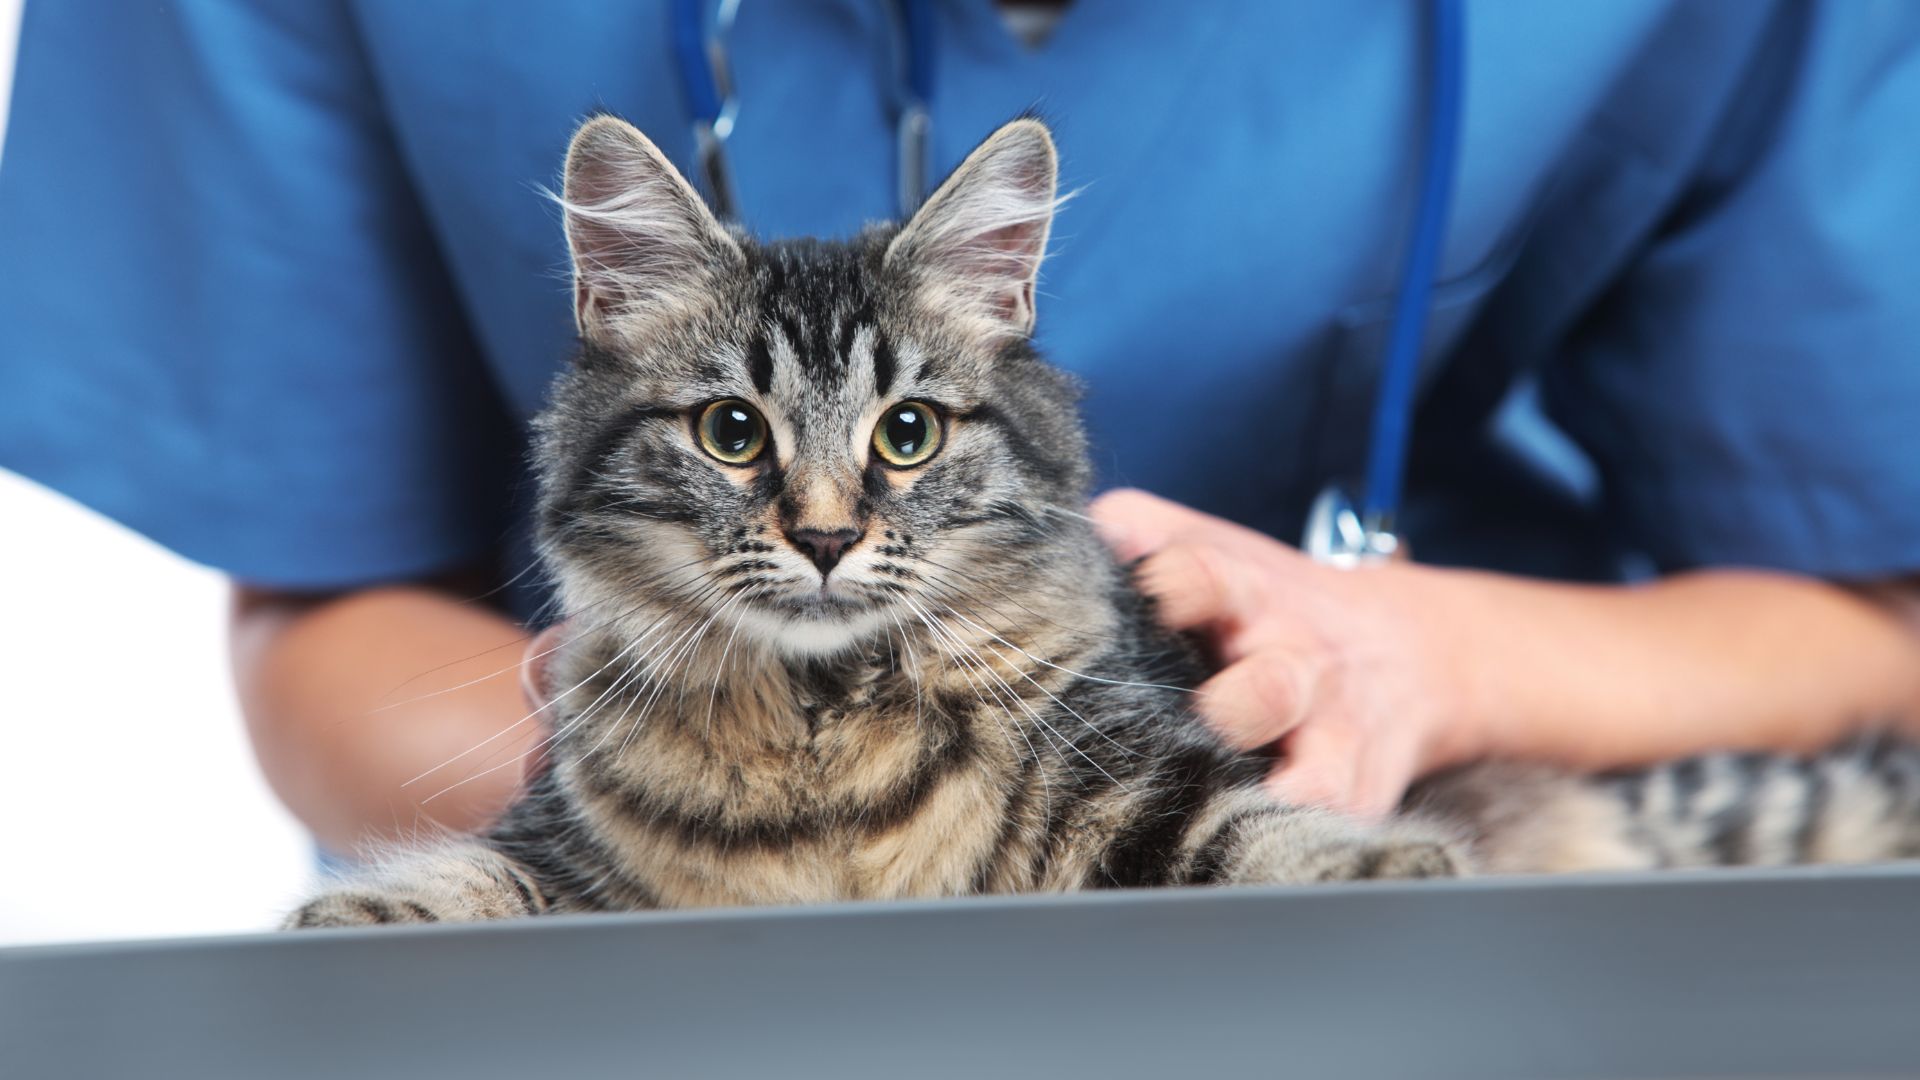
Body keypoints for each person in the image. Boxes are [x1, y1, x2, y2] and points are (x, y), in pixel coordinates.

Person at [4, 1, 1920, 856]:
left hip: (1455, 857)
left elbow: (1880, 607)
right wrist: (684, 805)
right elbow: (321, 597)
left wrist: (1427, 658)